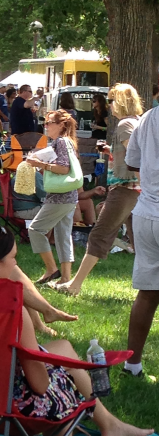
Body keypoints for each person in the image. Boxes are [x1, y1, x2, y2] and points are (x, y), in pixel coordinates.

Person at [0, 220, 152, 436]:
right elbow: (39, 384)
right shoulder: (11, 309)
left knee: (63, 348)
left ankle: (110, 425)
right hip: (1, 406)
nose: (16, 265)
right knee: (64, 385)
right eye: (13, 259)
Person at [56, 97, 142, 295]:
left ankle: (74, 285)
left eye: (112, 100)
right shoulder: (138, 120)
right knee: (139, 240)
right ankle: (148, 288)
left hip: (125, 188)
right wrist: (112, 151)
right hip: (135, 188)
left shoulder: (125, 123)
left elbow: (135, 153)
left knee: (99, 235)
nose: (109, 103)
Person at [122, 99, 159, 377]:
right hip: (148, 209)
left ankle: (131, 365)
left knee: (147, 294)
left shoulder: (147, 118)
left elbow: (132, 161)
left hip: (147, 212)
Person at [25, 110, 80, 285]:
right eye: (45, 123)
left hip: (60, 198)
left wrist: (40, 164)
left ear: (61, 125)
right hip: (70, 197)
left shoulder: (61, 142)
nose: (45, 126)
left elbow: (63, 168)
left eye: (49, 123)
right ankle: (65, 278)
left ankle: (51, 270)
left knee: (35, 230)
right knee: (63, 235)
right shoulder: (68, 142)